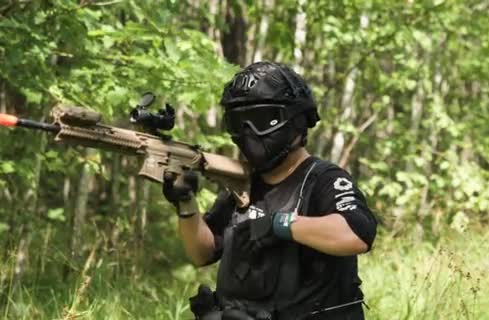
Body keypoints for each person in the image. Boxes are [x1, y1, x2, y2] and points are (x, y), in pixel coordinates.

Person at [162, 62, 377, 320]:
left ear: (296, 121)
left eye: (261, 120)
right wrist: (186, 204)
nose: (248, 132)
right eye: (239, 122)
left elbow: (356, 234)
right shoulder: (243, 184)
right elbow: (203, 253)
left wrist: (278, 224)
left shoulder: (323, 180)